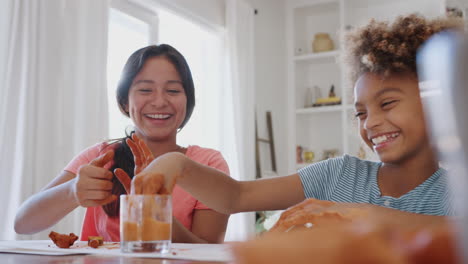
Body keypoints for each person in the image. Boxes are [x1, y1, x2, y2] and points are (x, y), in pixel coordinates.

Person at [131, 14, 463, 226]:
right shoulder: (340, 175)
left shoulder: (458, 190)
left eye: (387, 103)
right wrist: (178, 164)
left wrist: (357, 215)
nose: (371, 123)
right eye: (360, 113)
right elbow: (236, 197)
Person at [14, 44, 230, 243]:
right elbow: (22, 223)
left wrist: (153, 211)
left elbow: (209, 253)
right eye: (145, 90)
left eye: (173, 90)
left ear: (188, 101)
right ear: (125, 101)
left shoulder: (208, 163)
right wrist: (72, 191)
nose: (159, 101)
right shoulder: (101, 157)